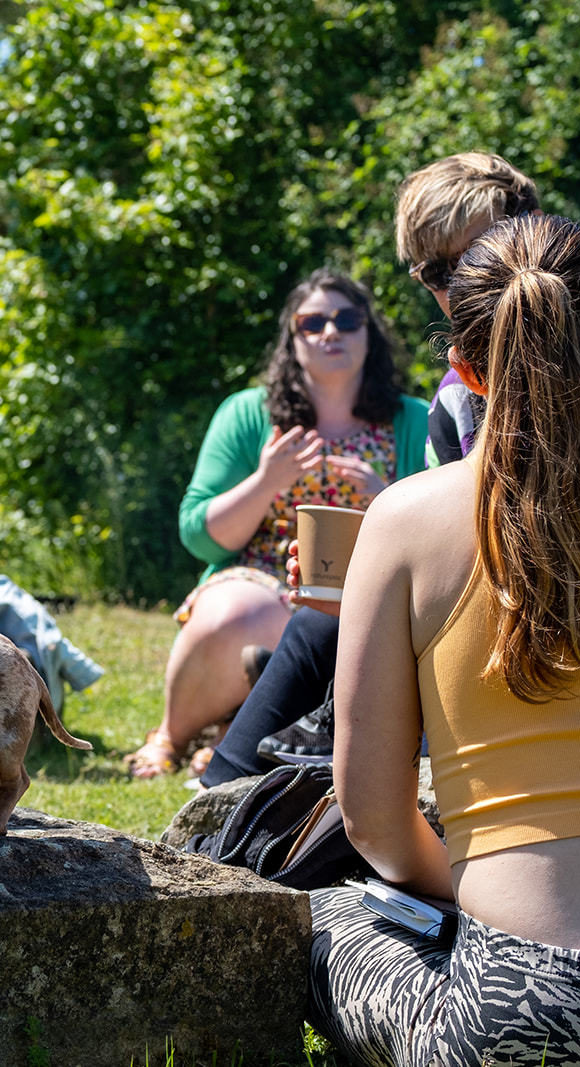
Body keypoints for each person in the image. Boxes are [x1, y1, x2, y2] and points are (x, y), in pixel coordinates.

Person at [310, 213, 580, 1066]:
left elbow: (372, 819)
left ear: (465, 369)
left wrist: (464, 894)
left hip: (523, 1000)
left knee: (331, 913)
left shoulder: (407, 516)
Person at [202, 153, 542, 788]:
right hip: (474, 612)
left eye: (472, 261)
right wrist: (362, 573)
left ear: (531, 239)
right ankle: (217, 805)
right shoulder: (457, 396)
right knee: (321, 622)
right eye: (436, 272)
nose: (456, 290)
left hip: (539, 620)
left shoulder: (554, 373)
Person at [126, 269, 429, 778]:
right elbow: (199, 533)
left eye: (346, 320)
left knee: (335, 623)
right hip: (263, 575)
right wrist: (268, 480)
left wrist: (384, 497)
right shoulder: (249, 414)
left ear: (369, 332)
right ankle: (172, 736)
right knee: (234, 615)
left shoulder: (413, 418)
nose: (330, 332)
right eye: (313, 323)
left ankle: (233, 733)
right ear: (292, 336)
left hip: (368, 582)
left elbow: (437, 527)